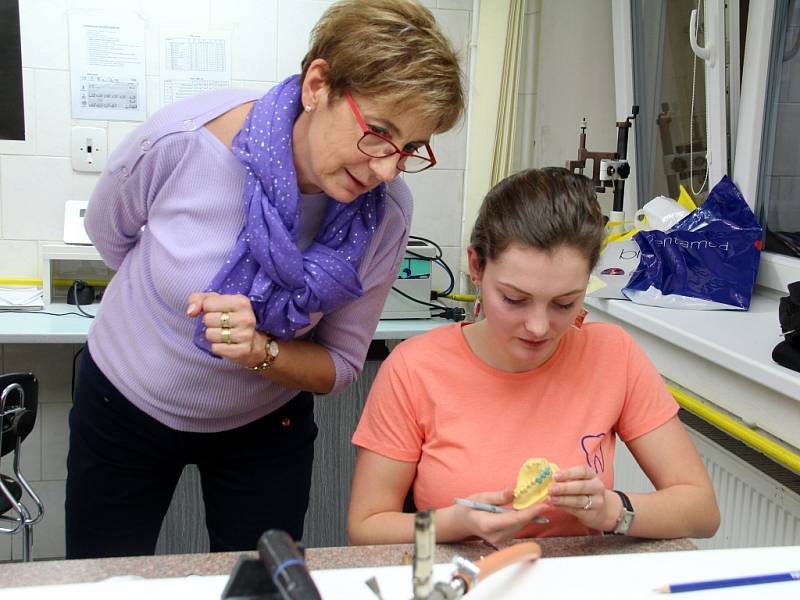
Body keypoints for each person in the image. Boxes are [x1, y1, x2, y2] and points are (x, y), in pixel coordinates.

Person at [66, 0, 464, 559]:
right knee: (103, 579)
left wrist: (260, 350)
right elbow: (111, 237)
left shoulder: (385, 215)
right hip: (125, 404)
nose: (385, 168)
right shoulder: (183, 142)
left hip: (263, 426)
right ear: (317, 84)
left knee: (264, 581)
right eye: (378, 132)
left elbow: (341, 366)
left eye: (410, 149)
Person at [348, 168, 720, 545]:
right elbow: (367, 527)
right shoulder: (414, 369)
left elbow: (701, 511)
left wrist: (612, 510)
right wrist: (454, 524)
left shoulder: (613, 355)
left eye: (564, 303)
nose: (539, 327)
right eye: (514, 299)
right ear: (477, 266)